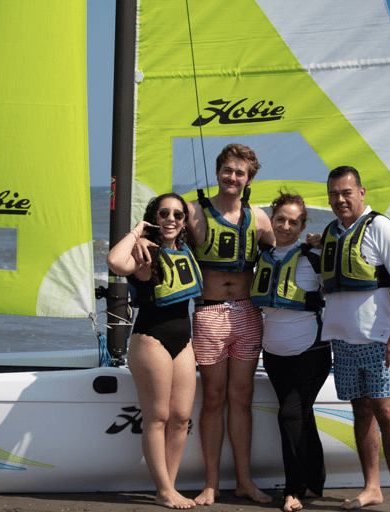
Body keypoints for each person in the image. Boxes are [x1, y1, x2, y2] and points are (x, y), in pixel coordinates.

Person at [314, 166, 390, 512]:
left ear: (362, 192)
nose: (340, 199)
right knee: (361, 412)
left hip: (379, 341)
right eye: (333, 194)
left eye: (346, 192)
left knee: (388, 414)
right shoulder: (331, 232)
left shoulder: (382, 228)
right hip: (342, 341)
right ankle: (372, 487)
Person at [187, 143, 274, 505]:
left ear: (249, 178)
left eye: (240, 172)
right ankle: (210, 484)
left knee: (242, 398)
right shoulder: (194, 212)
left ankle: (244, 481)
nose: (232, 177)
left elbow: (282, 249)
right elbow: (164, 235)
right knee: (213, 399)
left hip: (246, 314)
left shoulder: (260, 218)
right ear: (218, 171)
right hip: (208, 314)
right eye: (227, 170)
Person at [107, 193, 202, 510]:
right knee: (158, 417)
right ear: (154, 217)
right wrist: (136, 231)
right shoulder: (143, 250)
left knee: (180, 418)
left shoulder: (186, 249)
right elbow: (115, 263)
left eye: (178, 214)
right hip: (151, 339)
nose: (171, 219)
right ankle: (163, 490)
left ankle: (170, 487)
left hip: (183, 341)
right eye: (164, 213)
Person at [249, 192, 330, 512]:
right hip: (274, 353)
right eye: (280, 219)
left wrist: (327, 241)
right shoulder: (263, 255)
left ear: (303, 225)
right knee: (301, 416)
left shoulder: (314, 256)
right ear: (272, 218)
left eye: (293, 222)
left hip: (311, 350)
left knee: (289, 415)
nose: (285, 226)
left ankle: (293, 490)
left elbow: (349, 275)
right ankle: (316, 481)